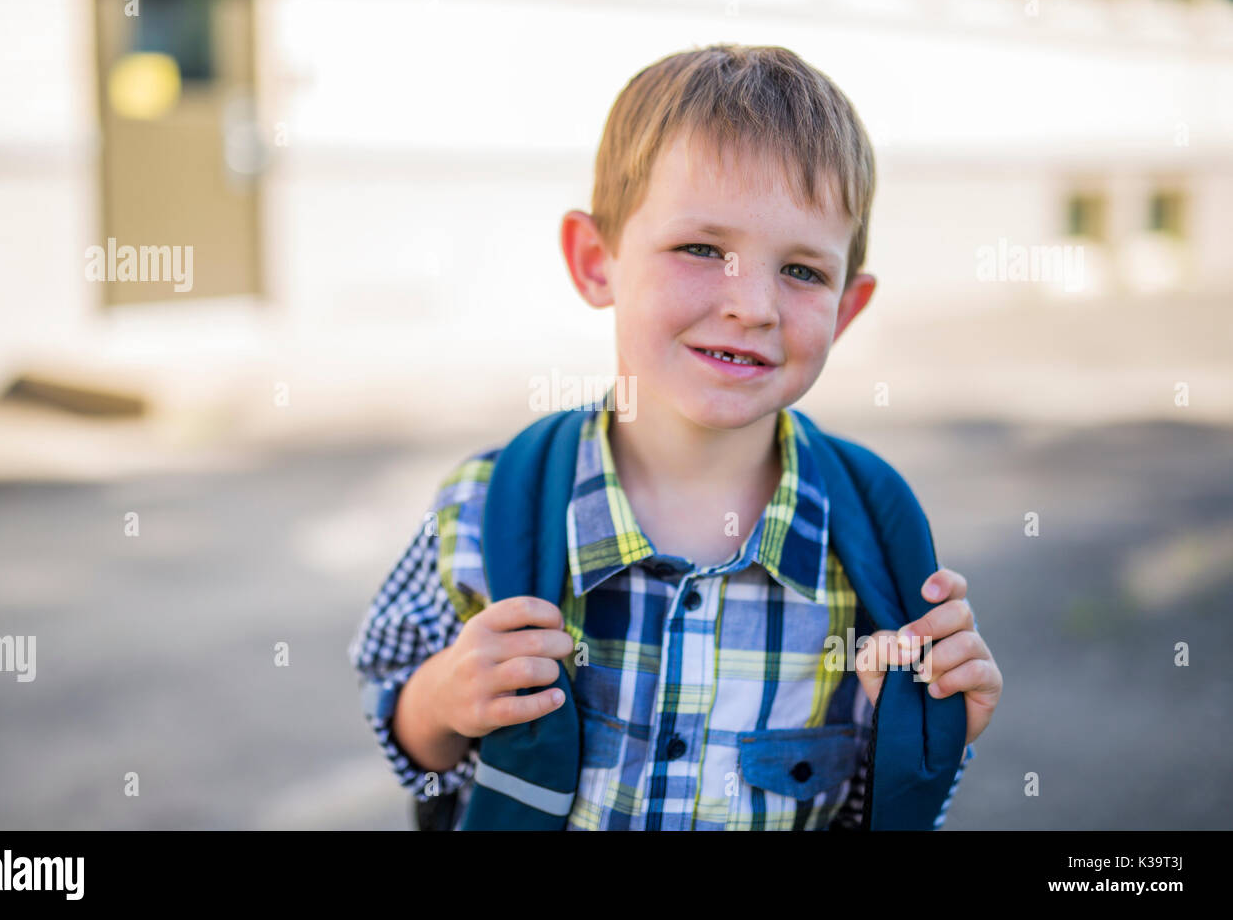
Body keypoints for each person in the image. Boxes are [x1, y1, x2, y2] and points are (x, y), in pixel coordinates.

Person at [348, 43, 1002, 830]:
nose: (753, 305)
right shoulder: (484, 508)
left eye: (802, 271)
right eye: (701, 249)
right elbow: (398, 714)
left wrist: (922, 734)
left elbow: (872, 810)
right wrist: (441, 700)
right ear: (597, 262)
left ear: (847, 308)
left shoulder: (870, 550)